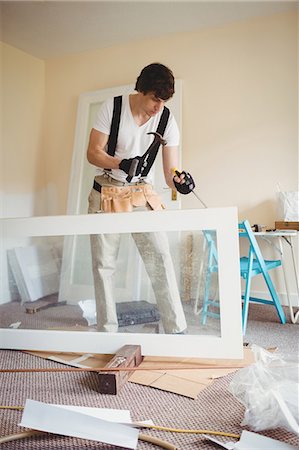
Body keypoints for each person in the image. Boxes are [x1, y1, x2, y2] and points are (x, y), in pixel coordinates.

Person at [87, 62, 195, 333]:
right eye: (155, 99)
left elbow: (171, 172)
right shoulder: (112, 108)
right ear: (141, 90)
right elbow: (93, 153)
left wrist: (180, 183)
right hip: (107, 190)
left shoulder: (167, 120)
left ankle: (176, 329)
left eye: (164, 101)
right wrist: (120, 163)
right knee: (104, 265)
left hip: (140, 191)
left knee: (160, 256)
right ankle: (106, 331)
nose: (158, 107)